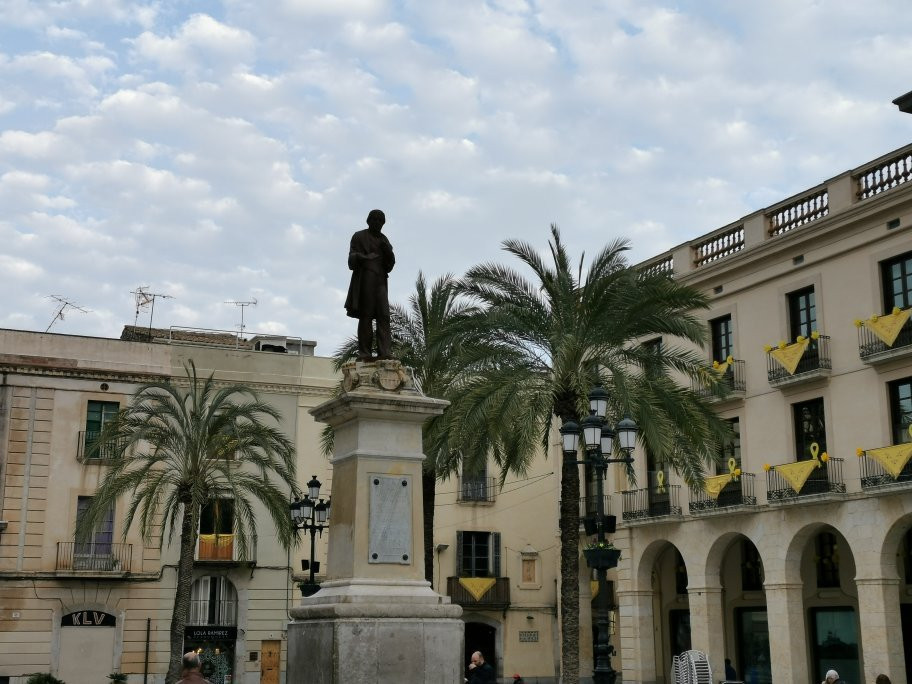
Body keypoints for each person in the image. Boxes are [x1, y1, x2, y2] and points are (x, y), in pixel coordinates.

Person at [345, 209, 395, 361]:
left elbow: (390, 265)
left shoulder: (384, 240)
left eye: (380, 220)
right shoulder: (359, 236)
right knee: (366, 315)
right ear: (369, 221)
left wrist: (388, 252)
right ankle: (365, 353)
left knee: (384, 315)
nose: (377, 223)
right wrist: (365, 257)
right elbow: (351, 260)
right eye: (375, 219)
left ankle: (384, 352)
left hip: (380, 280)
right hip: (365, 278)